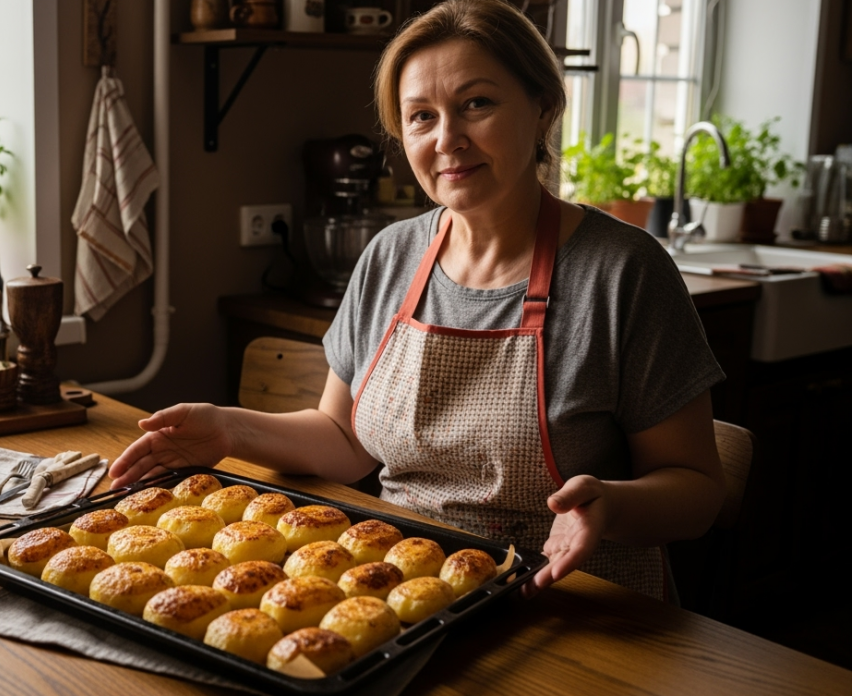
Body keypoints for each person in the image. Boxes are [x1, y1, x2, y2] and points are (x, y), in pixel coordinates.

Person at [110, 0, 725, 599]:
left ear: (543, 108)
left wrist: (612, 505)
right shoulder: (391, 255)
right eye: (421, 116)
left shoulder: (624, 271)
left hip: (576, 599)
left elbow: (696, 490)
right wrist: (225, 427)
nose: (447, 138)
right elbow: (342, 439)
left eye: (476, 104)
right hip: (412, 589)